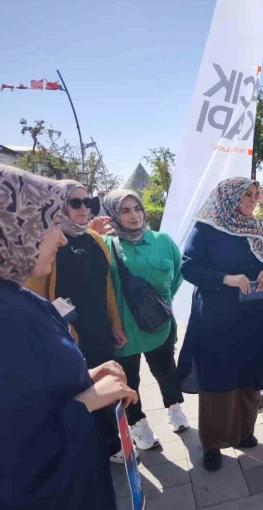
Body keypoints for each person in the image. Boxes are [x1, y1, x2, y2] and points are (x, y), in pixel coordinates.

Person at [0, 165, 138, 510]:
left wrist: (85, 377)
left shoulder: (16, 299)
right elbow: (17, 442)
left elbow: (30, 391)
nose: (60, 237)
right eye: (49, 222)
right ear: (14, 227)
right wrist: (86, 402)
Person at [177, 178, 263, 471]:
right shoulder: (207, 228)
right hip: (219, 319)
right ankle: (213, 443)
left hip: (257, 315)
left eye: (255, 194)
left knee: (250, 375)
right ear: (228, 197)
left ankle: (243, 431)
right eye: (245, 195)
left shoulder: (260, 228)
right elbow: (189, 267)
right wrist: (226, 279)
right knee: (218, 379)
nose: (252, 200)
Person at [25, 180, 128, 463]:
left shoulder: (94, 238)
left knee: (104, 385)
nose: (84, 208)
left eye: (89, 202)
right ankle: (98, 447)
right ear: (58, 206)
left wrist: (115, 323)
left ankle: (112, 443)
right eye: (75, 202)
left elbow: (106, 285)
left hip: (99, 329)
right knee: (80, 388)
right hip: (68, 334)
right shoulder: (49, 241)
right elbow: (35, 297)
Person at [102, 189, 188, 450]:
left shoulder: (162, 240)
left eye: (137, 208)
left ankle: (174, 407)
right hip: (123, 329)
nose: (134, 215)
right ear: (113, 214)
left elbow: (177, 276)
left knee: (166, 370)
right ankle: (137, 423)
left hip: (158, 323)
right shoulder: (105, 244)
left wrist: (159, 305)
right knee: (129, 379)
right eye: (125, 211)